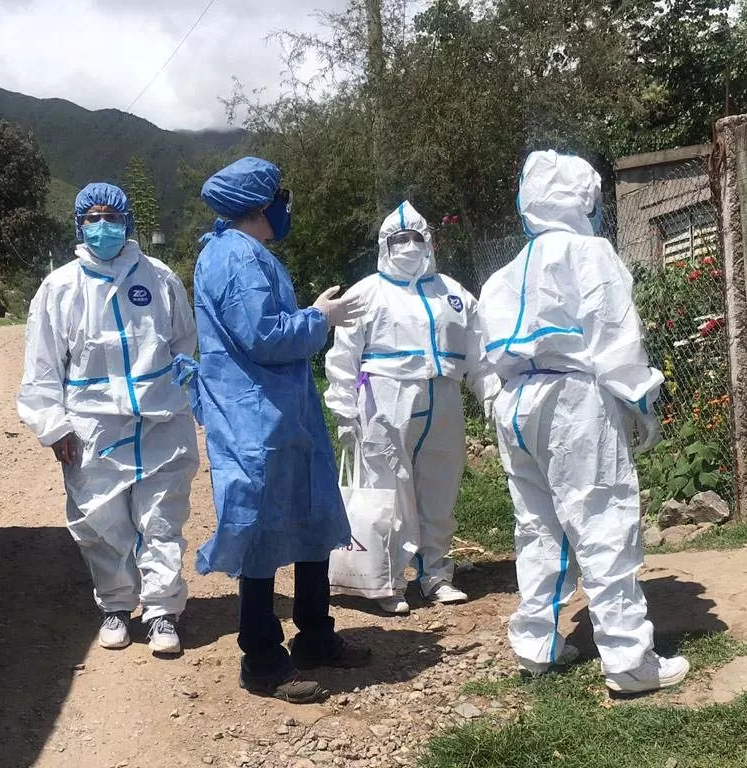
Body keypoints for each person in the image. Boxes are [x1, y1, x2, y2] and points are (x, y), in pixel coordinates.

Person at [477, 151, 689, 692]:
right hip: (572, 397)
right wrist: (642, 403)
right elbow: (616, 336)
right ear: (584, 199)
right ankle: (627, 660)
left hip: (515, 401)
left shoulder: (504, 274)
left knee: (538, 525)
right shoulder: (589, 253)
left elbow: (486, 357)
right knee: (602, 518)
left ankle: (535, 645)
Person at [192, 156, 372, 704]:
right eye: (281, 197)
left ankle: (315, 636)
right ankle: (263, 660)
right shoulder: (237, 259)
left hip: (278, 414)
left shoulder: (240, 253)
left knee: (311, 518)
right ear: (259, 203)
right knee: (262, 534)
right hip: (255, 420)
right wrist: (321, 316)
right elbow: (265, 336)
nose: (286, 206)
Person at [17, 182, 199, 656]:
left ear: (127, 222)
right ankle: (117, 605)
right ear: (79, 224)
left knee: (162, 518)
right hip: (92, 427)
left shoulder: (159, 278)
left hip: (160, 420)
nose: (102, 227)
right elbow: (41, 367)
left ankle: (162, 612)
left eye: (111, 218)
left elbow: (184, 338)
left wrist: (181, 375)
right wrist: (54, 426)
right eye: (93, 219)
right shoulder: (59, 287)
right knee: (99, 522)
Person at [324, 201, 499, 614]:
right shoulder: (366, 293)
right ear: (385, 246)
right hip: (386, 399)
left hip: (444, 396)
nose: (408, 245)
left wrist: (489, 392)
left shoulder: (453, 294)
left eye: (416, 237)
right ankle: (388, 580)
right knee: (390, 489)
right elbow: (344, 356)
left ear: (429, 242)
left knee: (440, 485)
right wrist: (344, 409)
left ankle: (435, 572)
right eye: (399, 239)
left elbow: (480, 351)